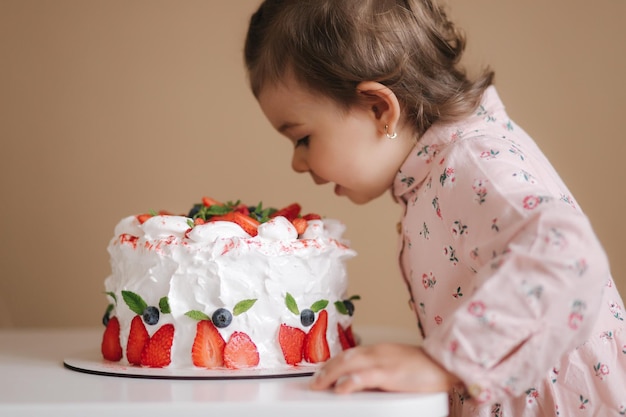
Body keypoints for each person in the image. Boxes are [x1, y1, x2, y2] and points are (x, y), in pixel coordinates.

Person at [243, 0, 626, 415]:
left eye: (301, 138)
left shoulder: (474, 160)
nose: (298, 163)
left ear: (379, 109)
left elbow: (569, 253)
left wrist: (443, 362)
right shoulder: (439, 167)